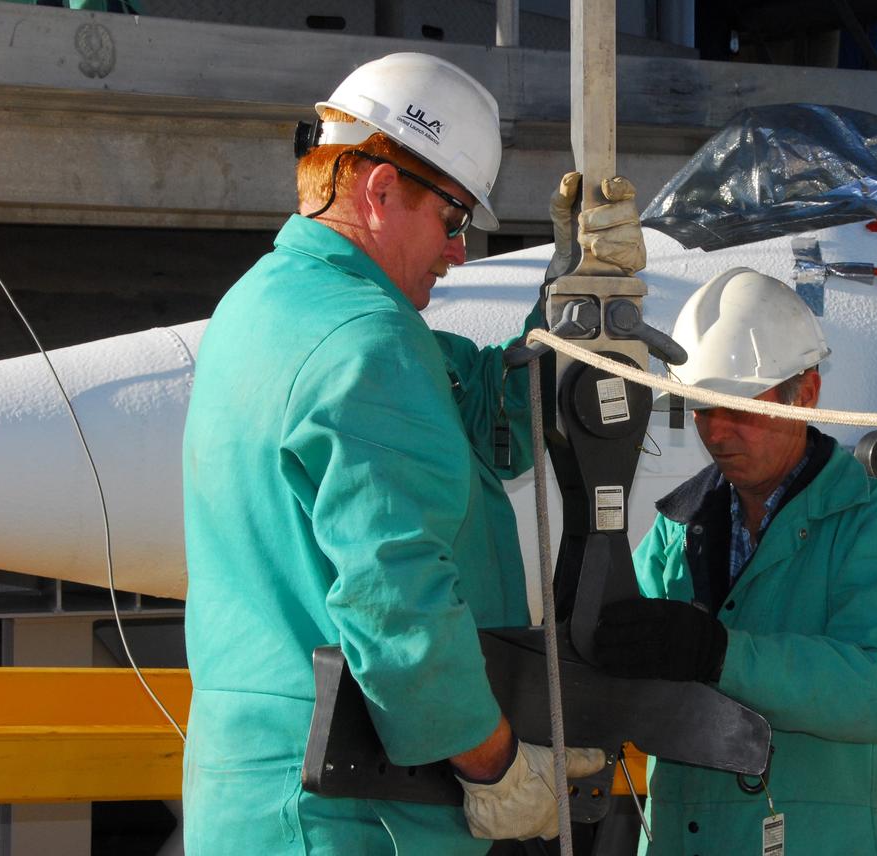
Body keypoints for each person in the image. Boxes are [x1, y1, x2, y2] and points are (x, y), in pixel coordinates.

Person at [181, 52, 642, 855]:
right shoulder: (370, 344)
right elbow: (396, 599)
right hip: (356, 822)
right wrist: (497, 766)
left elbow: (478, 419)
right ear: (381, 189)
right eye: (454, 219)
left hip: (264, 806)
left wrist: (565, 308)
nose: (459, 252)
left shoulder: (264, 305)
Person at [593, 268, 877, 856]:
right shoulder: (676, 531)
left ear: (805, 394)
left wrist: (721, 655)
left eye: (739, 407)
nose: (716, 432)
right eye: (702, 408)